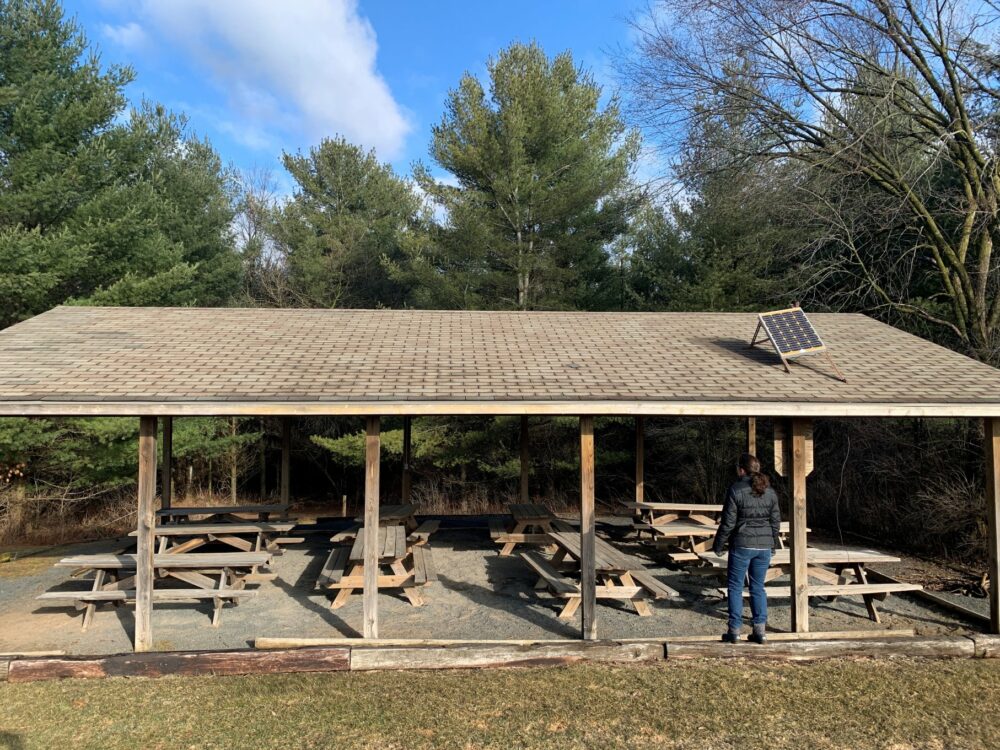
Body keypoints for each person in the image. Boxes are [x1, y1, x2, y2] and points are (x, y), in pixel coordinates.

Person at [712, 452, 781, 644]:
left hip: (742, 544)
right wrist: (772, 544)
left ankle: (734, 630)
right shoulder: (770, 491)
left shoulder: (735, 489)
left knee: (735, 586)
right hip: (764, 547)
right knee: (758, 587)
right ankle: (760, 631)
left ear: (741, 469)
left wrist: (718, 545)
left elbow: (728, 522)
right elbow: (775, 522)